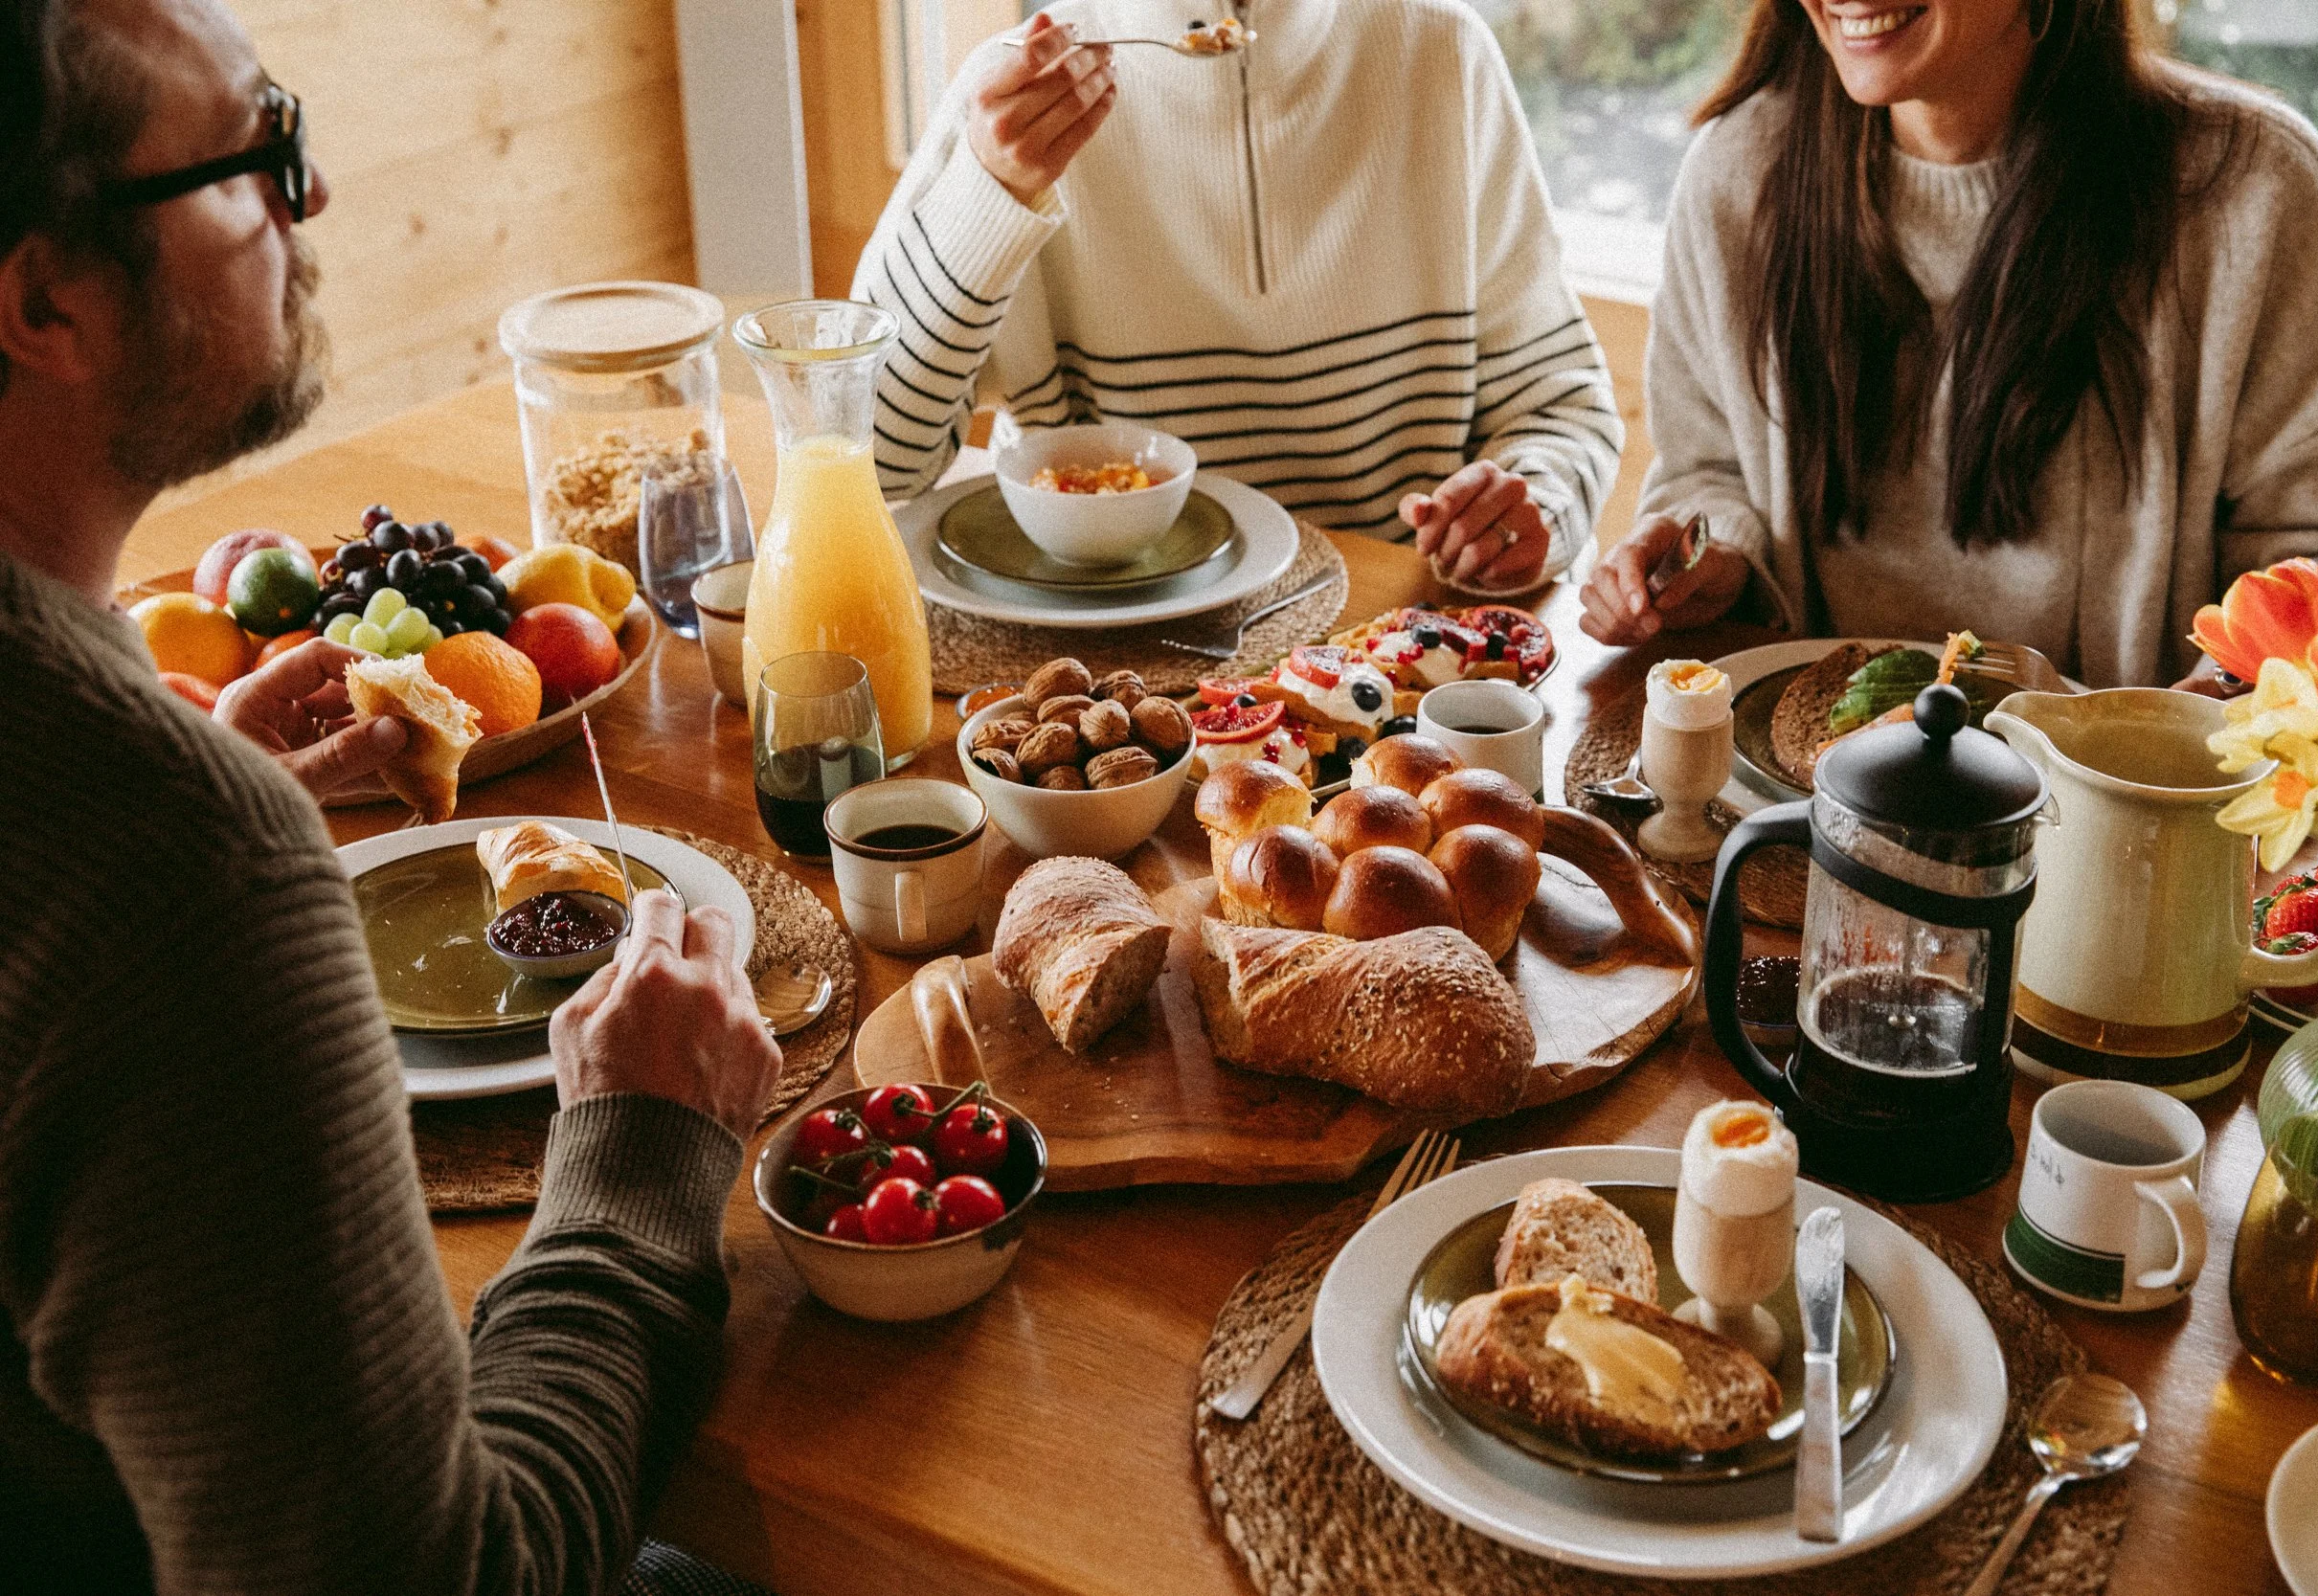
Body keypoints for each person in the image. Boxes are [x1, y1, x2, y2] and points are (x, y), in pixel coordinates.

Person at [0, 2, 783, 1591]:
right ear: (42, 301)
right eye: (254, 151)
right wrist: (633, 1166)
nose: (313, 198)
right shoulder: (172, 861)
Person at [1578, 0, 2318, 686]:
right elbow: (1709, 473)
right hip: (1794, 810)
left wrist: (2210, 709)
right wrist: (1711, 561)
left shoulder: (2255, 190)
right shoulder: (1734, 177)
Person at [853, 1, 1627, 597]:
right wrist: (989, 194)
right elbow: (872, 456)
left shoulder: (1442, 51)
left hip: (1405, 653)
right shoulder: (1015, 92)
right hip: (1121, 674)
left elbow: (1562, 410)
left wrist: (1529, 515)